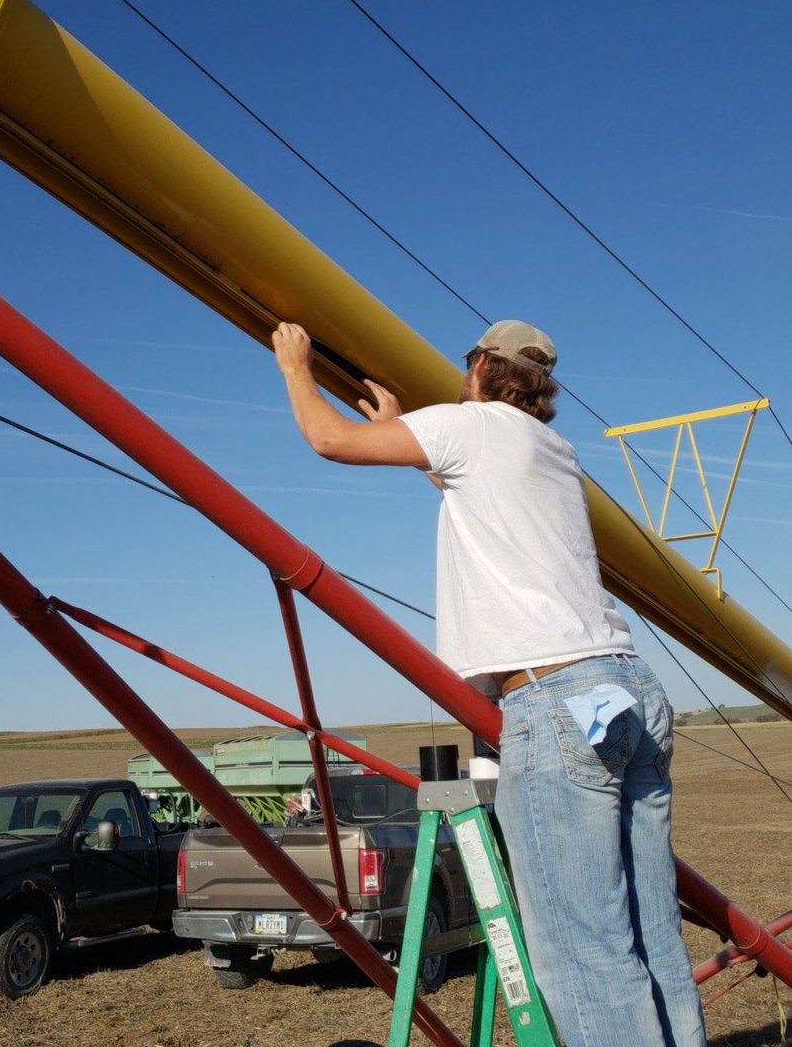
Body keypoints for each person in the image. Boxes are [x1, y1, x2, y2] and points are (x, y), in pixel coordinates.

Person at [272, 319, 706, 1047]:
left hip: (554, 697)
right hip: (628, 687)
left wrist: (295, 365)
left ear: (478, 366)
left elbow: (329, 439)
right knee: (650, 933)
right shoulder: (553, 449)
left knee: (584, 953)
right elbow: (481, 491)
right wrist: (409, 439)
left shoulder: (470, 424)